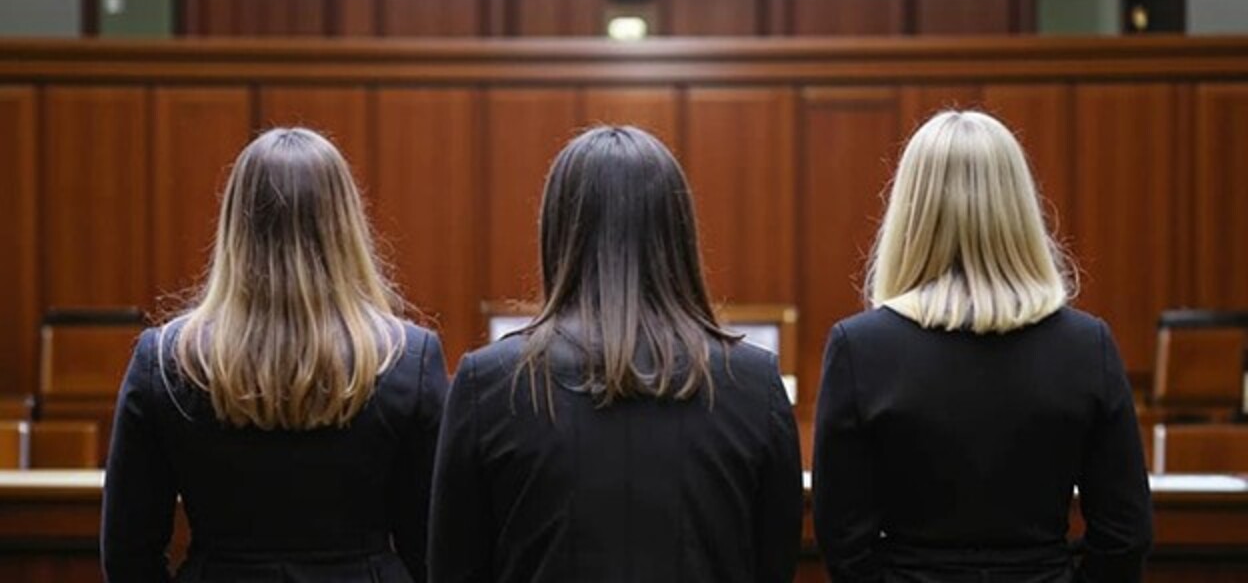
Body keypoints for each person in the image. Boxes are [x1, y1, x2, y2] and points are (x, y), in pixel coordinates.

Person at [428, 125, 803, 583]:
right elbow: (775, 564)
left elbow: (454, 568)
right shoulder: (754, 382)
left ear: (557, 232)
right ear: (679, 232)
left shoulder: (487, 383)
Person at [813, 110, 1153, 582]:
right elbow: (1125, 533)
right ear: (1018, 207)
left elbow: (843, 538)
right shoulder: (1085, 346)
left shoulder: (861, 348)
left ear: (910, 211)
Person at [101, 127, 447, 582]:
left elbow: (128, 551)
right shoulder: (408, 358)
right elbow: (434, 547)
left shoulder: (166, 360)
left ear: (235, 226)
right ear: (345, 224)